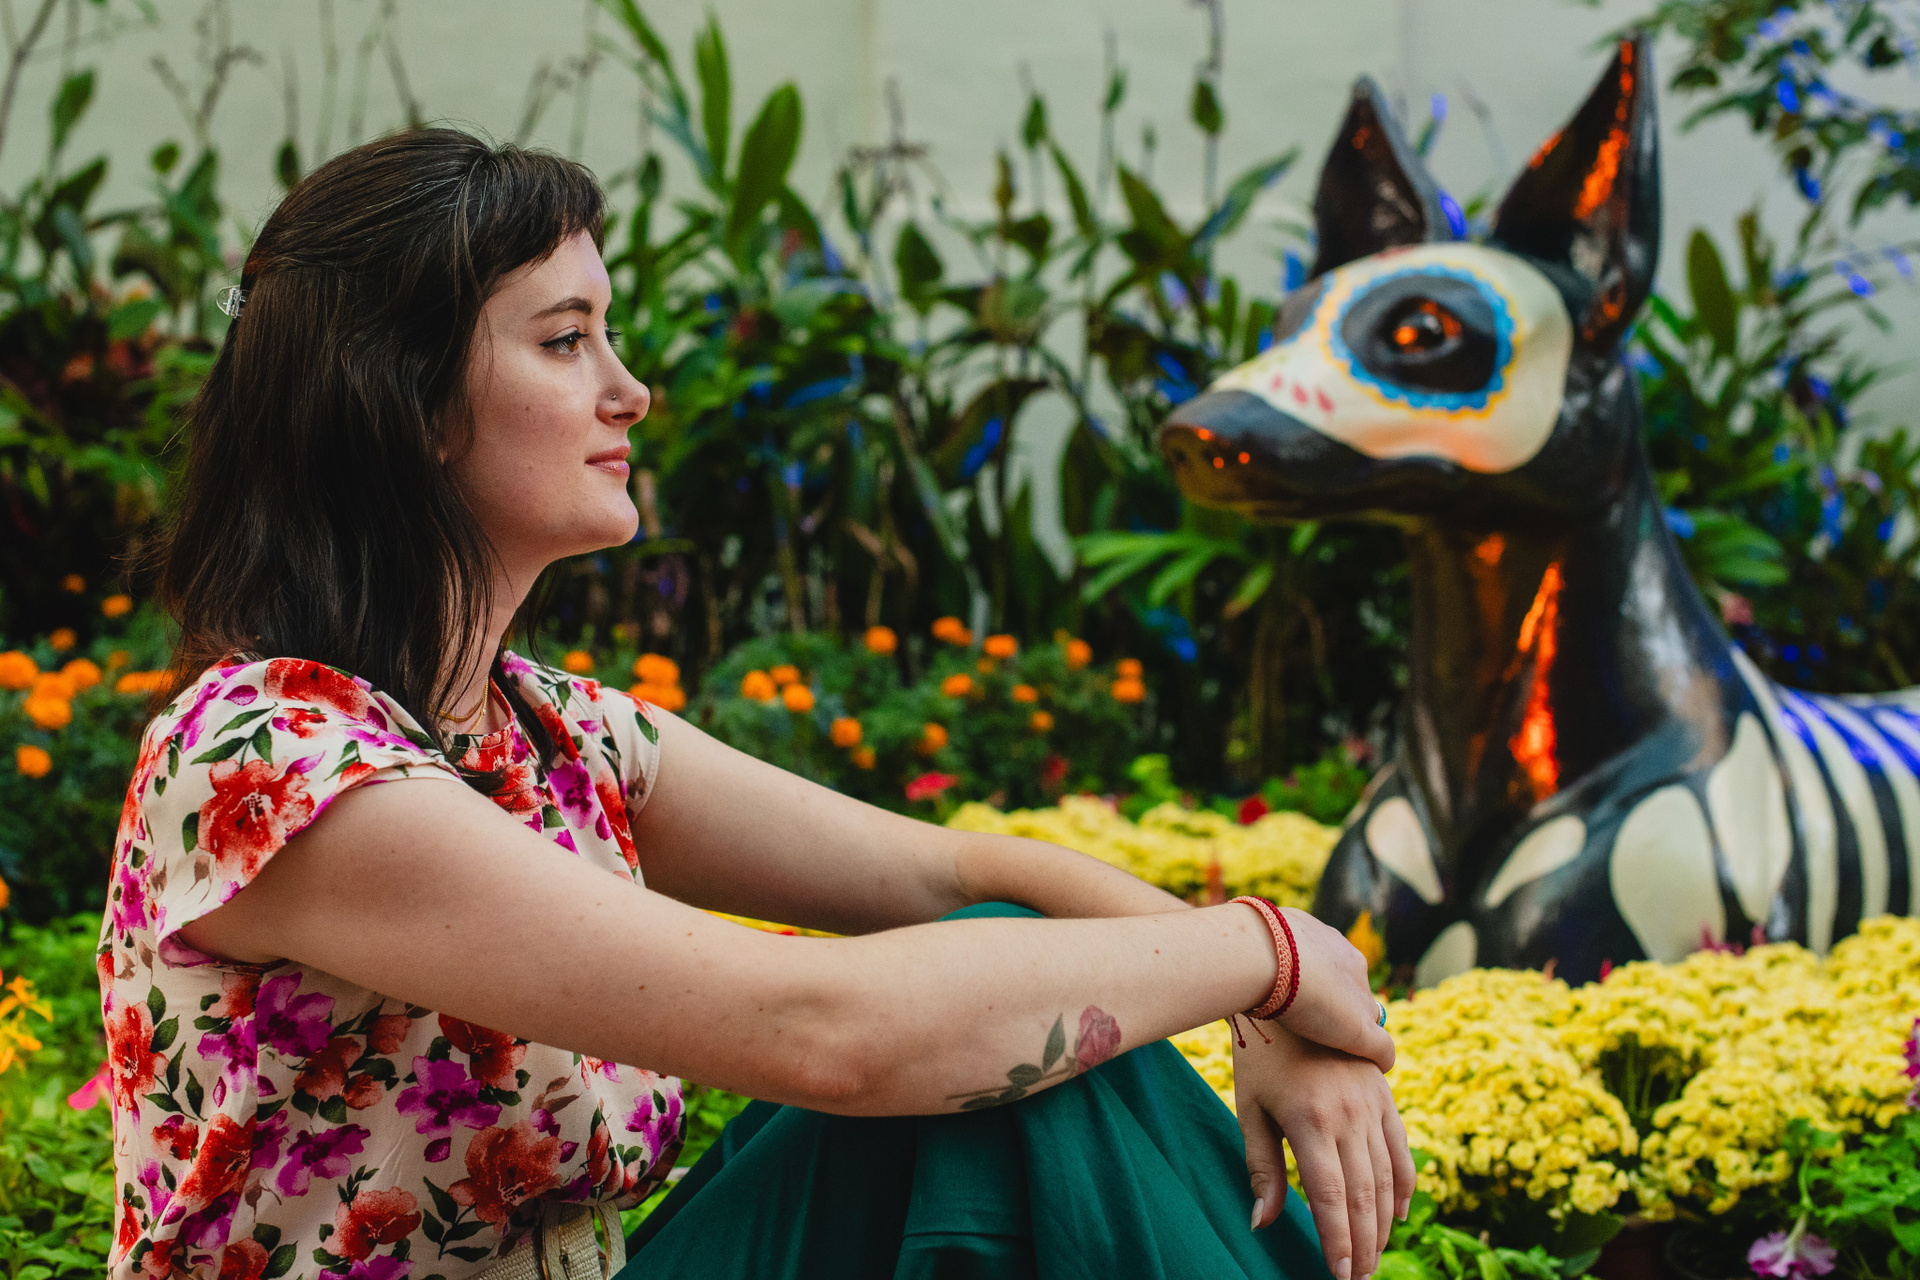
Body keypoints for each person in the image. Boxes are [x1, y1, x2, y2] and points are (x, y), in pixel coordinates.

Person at [100, 128, 1411, 1280]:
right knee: (985, 1060)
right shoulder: (271, 761)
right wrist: (1274, 951)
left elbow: (957, 875)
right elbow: (826, 1036)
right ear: (408, 402)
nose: (629, 391)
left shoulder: (551, 733)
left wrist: (1273, 1007)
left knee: (1013, 1008)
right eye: (565, 340)